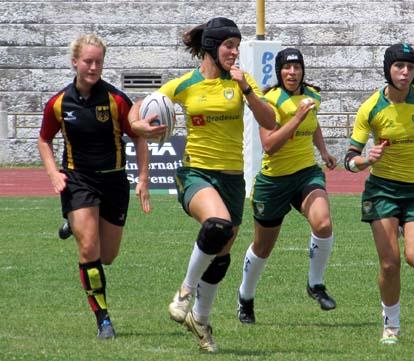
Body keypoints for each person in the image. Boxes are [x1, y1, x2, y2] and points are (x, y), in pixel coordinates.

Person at [128, 17, 276, 352]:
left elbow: (269, 121)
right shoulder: (185, 85)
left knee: (221, 255)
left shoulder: (241, 82)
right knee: (217, 225)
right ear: (212, 46)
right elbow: (137, 112)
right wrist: (142, 127)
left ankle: (201, 319)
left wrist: (247, 90)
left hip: (233, 179)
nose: (235, 52)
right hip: (197, 174)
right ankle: (184, 291)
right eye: (229, 45)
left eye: (237, 46)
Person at [343, 43, 414, 344]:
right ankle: (391, 325)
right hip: (381, 190)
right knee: (389, 263)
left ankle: (411, 230)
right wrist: (366, 160)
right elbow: (349, 160)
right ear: (388, 70)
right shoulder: (371, 108)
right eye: (399, 66)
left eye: (409, 67)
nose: (405, 72)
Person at [38, 34, 151, 339]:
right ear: (75, 62)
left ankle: (73, 224)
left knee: (108, 255)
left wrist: (143, 179)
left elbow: (139, 136)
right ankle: (103, 318)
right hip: (78, 180)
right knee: (89, 248)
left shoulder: (116, 100)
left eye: (98, 61)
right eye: (88, 61)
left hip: (114, 180)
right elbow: (45, 139)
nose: (93, 67)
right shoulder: (59, 103)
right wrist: (53, 173)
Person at [236, 48, 338, 325]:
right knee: (262, 247)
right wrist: (296, 118)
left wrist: (324, 151)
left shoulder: (313, 96)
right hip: (274, 181)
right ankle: (245, 297)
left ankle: (315, 284)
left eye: (297, 67)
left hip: (306, 174)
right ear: (279, 72)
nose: (292, 73)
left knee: (324, 224)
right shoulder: (269, 101)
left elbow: (313, 125)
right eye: (287, 68)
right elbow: (270, 145)